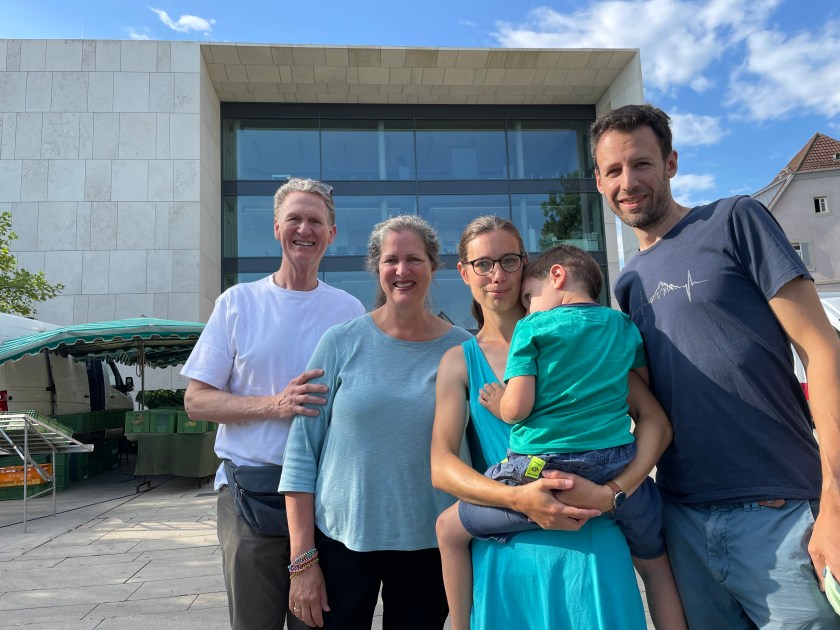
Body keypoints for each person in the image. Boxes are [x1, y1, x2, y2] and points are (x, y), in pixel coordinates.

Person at [594, 103, 840, 628]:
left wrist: (836, 501)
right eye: (613, 170)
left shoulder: (735, 219)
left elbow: (822, 350)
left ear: (671, 163)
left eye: (641, 164)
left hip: (780, 513)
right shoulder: (627, 284)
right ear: (599, 182)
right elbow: (647, 409)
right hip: (684, 522)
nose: (628, 182)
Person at [431, 215, 674, 630]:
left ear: (526, 265)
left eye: (508, 261)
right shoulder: (459, 360)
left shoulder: (582, 346)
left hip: (593, 551)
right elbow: (441, 466)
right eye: (482, 264)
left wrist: (612, 492)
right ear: (464, 272)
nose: (497, 275)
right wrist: (517, 500)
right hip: (506, 558)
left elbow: (655, 423)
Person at [180, 178, 365, 630]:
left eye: (315, 220)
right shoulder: (238, 303)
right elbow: (196, 402)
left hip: (328, 499)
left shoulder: (349, 310)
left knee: (320, 621)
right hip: (251, 496)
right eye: (294, 219)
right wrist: (275, 405)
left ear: (332, 234)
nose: (305, 229)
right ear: (277, 228)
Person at [279, 215, 472, 629]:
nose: (402, 270)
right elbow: (301, 453)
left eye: (414, 259)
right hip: (340, 542)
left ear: (433, 265)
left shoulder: (462, 348)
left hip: (430, 545)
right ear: (377, 268)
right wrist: (303, 561)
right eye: (391, 260)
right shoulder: (340, 342)